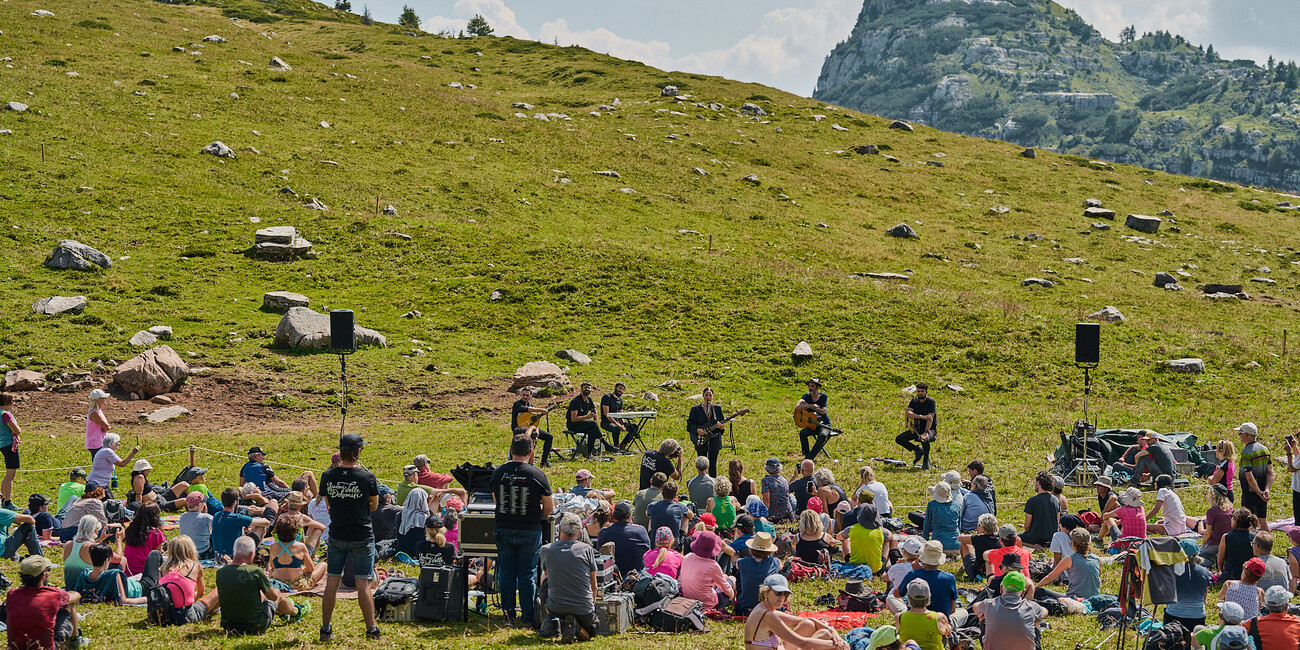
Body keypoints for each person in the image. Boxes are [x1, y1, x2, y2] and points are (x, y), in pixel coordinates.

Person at [320, 433, 382, 642]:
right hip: (362, 535)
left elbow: (328, 503)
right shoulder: (367, 477)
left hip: (337, 534)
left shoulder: (327, 476)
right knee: (363, 584)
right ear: (357, 452)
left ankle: (326, 629)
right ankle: (371, 629)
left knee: (332, 581)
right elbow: (373, 505)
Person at [489, 433, 554, 629]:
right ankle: (527, 618)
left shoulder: (498, 472)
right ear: (531, 452)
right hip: (529, 530)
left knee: (506, 573)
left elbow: (495, 500)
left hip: (503, 527)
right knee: (526, 574)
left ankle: (508, 616)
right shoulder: (537, 475)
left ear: (511, 450)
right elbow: (549, 508)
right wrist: (538, 516)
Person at [217, 536, 308, 634]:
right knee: (277, 594)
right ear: (252, 554)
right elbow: (273, 597)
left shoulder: (221, 571)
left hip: (228, 627)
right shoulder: (255, 571)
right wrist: (266, 581)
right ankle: (296, 612)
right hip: (256, 626)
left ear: (234, 551)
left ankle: (285, 611)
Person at [743, 574, 848, 650]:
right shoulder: (767, 616)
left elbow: (807, 620)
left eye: (785, 594)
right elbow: (803, 644)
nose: (782, 597)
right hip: (788, 646)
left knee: (812, 626)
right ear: (765, 593)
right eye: (778, 593)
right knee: (824, 638)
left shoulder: (765, 609)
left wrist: (833, 631)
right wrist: (838, 645)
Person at [538, 513, 598, 643]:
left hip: (556, 608)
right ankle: (576, 627)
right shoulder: (587, 549)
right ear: (580, 532)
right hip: (584, 608)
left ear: (559, 529)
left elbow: (547, 574)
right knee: (593, 632)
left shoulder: (546, 550)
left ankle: (552, 620)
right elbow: (594, 584)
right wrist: (591, 605)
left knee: (544, 576)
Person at [7, 555, 81, 649]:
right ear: (43, 575)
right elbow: (76, 596)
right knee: (69, 604)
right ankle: (75, 640)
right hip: (46, 647)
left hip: (16, 647)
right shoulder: (53, 595)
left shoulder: (11, 594)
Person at [973, 569, 1044, 650]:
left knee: (981, 616)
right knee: (1037, 619)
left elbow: (975, 607)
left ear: (1001, 588)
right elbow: (1044, 612)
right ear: (1023, 593)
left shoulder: (989, 604)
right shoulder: (1032, 607)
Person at [1035, 528, 1102, 600]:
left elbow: (1049, 578)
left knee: (1039, 592)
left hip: (1074, 599)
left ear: (1072, 543)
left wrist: (1034, 587)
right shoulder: (1097, 559)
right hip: (1093, 599)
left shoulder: (1069, 560)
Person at [73, 542, 151, 605]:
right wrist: (145, 599)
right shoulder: (113, 574)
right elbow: (122, 600)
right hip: (140, 588)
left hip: (132, 583)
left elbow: (76, 595)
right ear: (107, 560)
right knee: (154, 555)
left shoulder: (84, 574)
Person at [897, 541, 959, 615]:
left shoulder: (913, 575)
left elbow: (897, 594)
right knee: (962, 612)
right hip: (940, 621)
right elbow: (952, 610)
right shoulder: (950, 578)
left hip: (916, 618)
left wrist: (913, 573)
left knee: (890, 599)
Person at [269, 517, 327, 591]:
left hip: (278, 583)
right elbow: (310, 568)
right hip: (298, 584)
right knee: (323, 565)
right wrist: (301, 570)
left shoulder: (273, 546)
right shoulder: (300, 546)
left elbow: (272, 565)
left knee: (271, 571)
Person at [680, 531, 734, 609]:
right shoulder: (712, 566)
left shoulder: (687, 557)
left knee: (723, 577)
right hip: (707, 604)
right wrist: (731, 596)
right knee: (732, 579)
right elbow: (725, 587)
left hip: (688, 599)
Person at [212, 488, 270, 559]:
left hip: (218, 557)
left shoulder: (216, 515)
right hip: (234, 558)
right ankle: (254, 554)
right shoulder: (236, 518)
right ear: (235, 502)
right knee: (260, 526)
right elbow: (267, 523)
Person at [596, 500, 650, 576]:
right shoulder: (640, 530)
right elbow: (647, 552)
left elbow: (600, 551)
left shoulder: (604, 532)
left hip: (613, 576)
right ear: (630, 515)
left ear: (614, 514)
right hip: (637, 577)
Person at [1237, 422, 1274, 529]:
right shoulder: (1265, 449)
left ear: (1246, 435)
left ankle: (1252, 545)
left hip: (1250, 492)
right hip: (1263, 492)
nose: (1239, 435)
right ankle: (1268, 544)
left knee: (1250, 525)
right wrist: (1266, 490)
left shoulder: (1246, 452)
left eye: (1240, 433)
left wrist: (1259, 492)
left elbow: (1249, 476)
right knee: (1263, 521)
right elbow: (1270, 472)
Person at [736, 532, 782, 615]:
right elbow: (781, 567)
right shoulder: (775, 562)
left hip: (745, 608)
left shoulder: (742, 562)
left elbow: (736, 565)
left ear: (751, 549)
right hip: (769, 608)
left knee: (739, 576)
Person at [898, 579, 951, 650]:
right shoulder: (938, 617)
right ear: (929, 597)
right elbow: (948, 632)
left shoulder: (899, 617)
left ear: (908, 598)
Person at [511, 386, 555, 466]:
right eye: (523, 395)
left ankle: (544, 461)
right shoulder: (517, 404)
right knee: (531, 438)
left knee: (549, 437)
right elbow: (527, 409)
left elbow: (533, 421)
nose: (525, 397)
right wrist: (541, 410)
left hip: (530, 428)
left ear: (531, 396)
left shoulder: (531, 404)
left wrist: (537, 429)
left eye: (527, 395)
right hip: (519, 430)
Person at [838, 504, 888, 575]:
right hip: (876, 569)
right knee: (887, 541)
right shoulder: (880, 530)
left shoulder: (852, 528)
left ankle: (847, 561)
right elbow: (890, 536)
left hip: (855, 566)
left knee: (845, 540)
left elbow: (838, 537)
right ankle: (884, 563)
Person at [688, 387, 726, 476]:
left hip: (714, 440)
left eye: (710, 395)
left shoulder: (717, 408)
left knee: (713, 464)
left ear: (713, 397)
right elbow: (690, 424)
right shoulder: (696, 409)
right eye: (706, 395)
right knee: (702, 463)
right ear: (703, 396)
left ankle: (712, 483)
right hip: (701, 440)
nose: (708, 397)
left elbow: (721, 424)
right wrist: (697, 430)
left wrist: (721, 428)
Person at [899, 382, 937, 470]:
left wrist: (926, 432)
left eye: (922, 391)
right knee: (899, 439)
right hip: (916, 429)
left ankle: (926, 460)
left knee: (925, 439)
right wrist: (922, 416)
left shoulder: (931, 402)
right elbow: (908, 413)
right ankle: (917, 450)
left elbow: (930, 418)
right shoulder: (914, 401)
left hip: (930, 429)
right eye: (918, 391)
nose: (920, 393)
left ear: (926, 392)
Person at [88, 433, 138, 498]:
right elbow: (122, 463)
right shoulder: (107, 451)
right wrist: (133, 453)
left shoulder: (104, 450)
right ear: (111, 443)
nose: (119, 444)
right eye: (117, 442)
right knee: (110, 504)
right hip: (98, 483)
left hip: (100, 482)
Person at [567, 382, 609, 457]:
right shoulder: (575, 401)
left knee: (591, 431)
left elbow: (594, 409)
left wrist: (595, 419)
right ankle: (605, 443)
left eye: (589, 388)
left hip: (582, 423)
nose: (587, 389)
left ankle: (589, 454)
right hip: (573, 424)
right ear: (581, 389)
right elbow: (573, 419)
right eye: (585, 387)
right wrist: (587, 417)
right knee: (592, 424)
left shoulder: (588, 399)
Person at [795, 378, 833, 462]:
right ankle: (806, 453)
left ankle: (810, 457)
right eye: (809, 386)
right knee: (803, 433)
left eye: (812, 386)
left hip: (824, 424)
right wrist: (812, 405)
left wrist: (809, 406)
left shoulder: (823, 396)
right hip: (812, 424)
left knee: (823, 435)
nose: (810, 388)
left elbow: (823, 411)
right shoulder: (806, 396)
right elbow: (798, 407)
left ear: (817, 387)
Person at [122, 503, 165, 576]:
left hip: (127, 571)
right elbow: (157, 556)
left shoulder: (131, 530)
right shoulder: (156, 533)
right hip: (145, 572)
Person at [1, 494, 46, 560]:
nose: (1, 499)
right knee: (29, 527)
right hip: (3, 552)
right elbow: (29, 519)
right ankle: (39, 560)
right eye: (0, 497)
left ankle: (16, 557)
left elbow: (17, 520)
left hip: (4, 548)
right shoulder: (1, 512)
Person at [1220, 557, 1266, 621]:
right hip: (1249, 626)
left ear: (1244, 570)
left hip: (1229, 622)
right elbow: (1263, 605)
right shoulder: (1259, 592)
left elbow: (1221, 596)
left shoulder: (1229, 584)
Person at [922, 482, 961, 557]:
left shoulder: (932, 505)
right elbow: (959, 525)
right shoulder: (956, 504)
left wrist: (924, 542)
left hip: (939, 547)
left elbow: (927, 525)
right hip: (957, 546)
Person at [1219, 508, 1259, 581]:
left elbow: (1220, 561)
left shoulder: (1226, 537)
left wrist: (1223, 572)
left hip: (1231, 575)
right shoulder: (1255, 537)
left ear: (1235, 521)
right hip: (1250, 575)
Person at [1022, 471, 1059, 548]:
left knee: (1015, 538)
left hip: (1036, 538)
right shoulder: (1056, 500)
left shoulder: (1032, 501)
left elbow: (1027, 526)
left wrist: (1026, 528)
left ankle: (1034, 546)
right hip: (1052, 538)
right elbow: (1057, 522)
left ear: (1039, 483)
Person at [1201, 485, 1236, 567]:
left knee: (1199, 553)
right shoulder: (1231, 509)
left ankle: (1213, 561)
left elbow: (1207, 534)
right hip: (1229, 543)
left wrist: (1203, 545)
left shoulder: (1212, 511)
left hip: (1216, 544)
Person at [958, 513, 1001, 580]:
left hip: (977, 573)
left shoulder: (978, 539)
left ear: (983, 528)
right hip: (993, 571)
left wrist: (977, 534)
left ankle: (965, 566)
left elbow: (960, 538)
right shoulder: (999, 539)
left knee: (965, 543)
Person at [599, 382, 639, 450]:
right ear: (615, 387)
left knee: (634, 427)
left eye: (622, 389)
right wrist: (618, 425)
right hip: (606, 422)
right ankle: (616, 446)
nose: (621, 391)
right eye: (619, 388)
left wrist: (623, 423)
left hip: (617, 421)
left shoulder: (620, 400)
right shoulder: (607, 397)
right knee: (616, 428)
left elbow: (621, 414)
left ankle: (623, 444)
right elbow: (606, 414)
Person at [0, 394, 22, 509]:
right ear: (6, 402)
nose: (13, 403)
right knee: (10, 474)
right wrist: (18, 429)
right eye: (12, 401)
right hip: (9, 444)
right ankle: (7, 501)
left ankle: (2, 497)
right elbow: (16, 430)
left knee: (7, 474)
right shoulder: (5, 414)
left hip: (2, 444)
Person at [761, 458, 794, 523]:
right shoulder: (784, 480)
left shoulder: (765, 481)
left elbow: (766, 501)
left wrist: (764, 516)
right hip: (788, 514)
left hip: (774, 517)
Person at [84, 388, 111, 462]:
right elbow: (107, 427)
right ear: (98, 400)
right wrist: (104, 428)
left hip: (99, 443)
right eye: (103, 398)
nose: (105, 400)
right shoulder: (95, 413)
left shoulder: (97, 411)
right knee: (99, 465)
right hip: (96, 444)